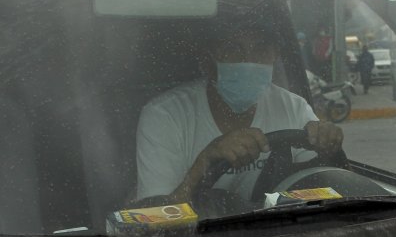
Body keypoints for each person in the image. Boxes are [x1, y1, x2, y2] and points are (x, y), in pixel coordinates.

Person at [135, 23, 344, 205]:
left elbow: (321, 184)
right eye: (233, 49)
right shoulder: (165, 115)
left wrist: (328, 148)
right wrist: (206, 160)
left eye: (261, 48)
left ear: (275, 55)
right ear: (207, 62)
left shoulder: (293, 107)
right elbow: (157, 221)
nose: (249, 61)